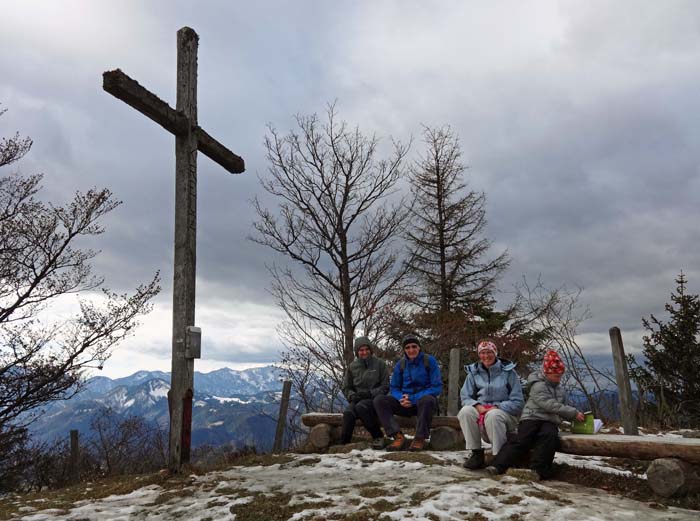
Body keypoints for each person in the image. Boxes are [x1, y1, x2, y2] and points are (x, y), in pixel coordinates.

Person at [485, 350, 586, 479]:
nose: (558, 379)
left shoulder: (560, 389)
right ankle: (498, 465)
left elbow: (560, 408)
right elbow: (548, 404)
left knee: (549, 436)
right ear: (546, 373)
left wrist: (574, 418)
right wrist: (573, 412)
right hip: (531, 417)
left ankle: (539, 470)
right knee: (522, 439)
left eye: (560, 375)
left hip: (550, 420)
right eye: (556, 375)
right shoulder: (538, 385)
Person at [458, 338, 524, 469]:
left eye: (489, 352)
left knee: (493, 415)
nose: (486, 356)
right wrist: (477, 406)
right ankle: (476, 454)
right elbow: (465, 396)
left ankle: (499, 457)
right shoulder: (473, 373)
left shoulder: (509, 373)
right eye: (482, 353)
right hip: (481, 410)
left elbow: (518, 402)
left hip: (505, 414)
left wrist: (497, 406)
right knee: (465, 411)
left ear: (495, 353)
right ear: (479, 355)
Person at [373, 334, 442, 451]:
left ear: (419, 347)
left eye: (414, 346)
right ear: (404, 350)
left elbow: (436, 387)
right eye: (408, 347)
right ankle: (397, 436)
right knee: (379, 400)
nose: (411, 350)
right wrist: (401, 398)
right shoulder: (401, 364)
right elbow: (394, 387)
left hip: (424, 404)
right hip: (404, 403)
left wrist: (413, 398)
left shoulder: (429, 361)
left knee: (428, 399)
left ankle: (419, 438)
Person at [341, 336, 390, 447]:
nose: (364, 352)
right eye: (361, 350)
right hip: (357, 399)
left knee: (361, 408)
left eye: (367, 349)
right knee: (348, 413)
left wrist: (370, 393)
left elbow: (386, 386)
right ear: (357, 352)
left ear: (371, 350)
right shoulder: (352, 367)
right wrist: (352, 396)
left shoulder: (380, 364)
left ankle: (378, 437)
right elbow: (346, 387)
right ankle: (344, 445)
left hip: (375, 399)